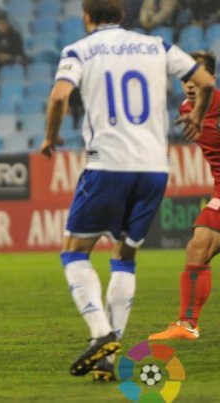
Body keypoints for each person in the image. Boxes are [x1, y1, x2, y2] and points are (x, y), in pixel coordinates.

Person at [40, 0, 215, 382]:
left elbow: (58, 97)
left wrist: (51, 137)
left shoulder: (79, 50)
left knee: (74, 252)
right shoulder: (157, 46)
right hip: (154, 168)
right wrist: (198, 117)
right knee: (125, 254)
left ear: (86, 17)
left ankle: (101, 333)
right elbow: (205, 81)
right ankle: (107, 358)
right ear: (122, 16)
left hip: (108, 165)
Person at [149, 51, 220, 341]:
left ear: (211, 79)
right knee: (198, 247)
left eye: (196, 78)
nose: (190, 84)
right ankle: (187, 324)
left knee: (199, 245)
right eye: (185, 79)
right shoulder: (184, 109)